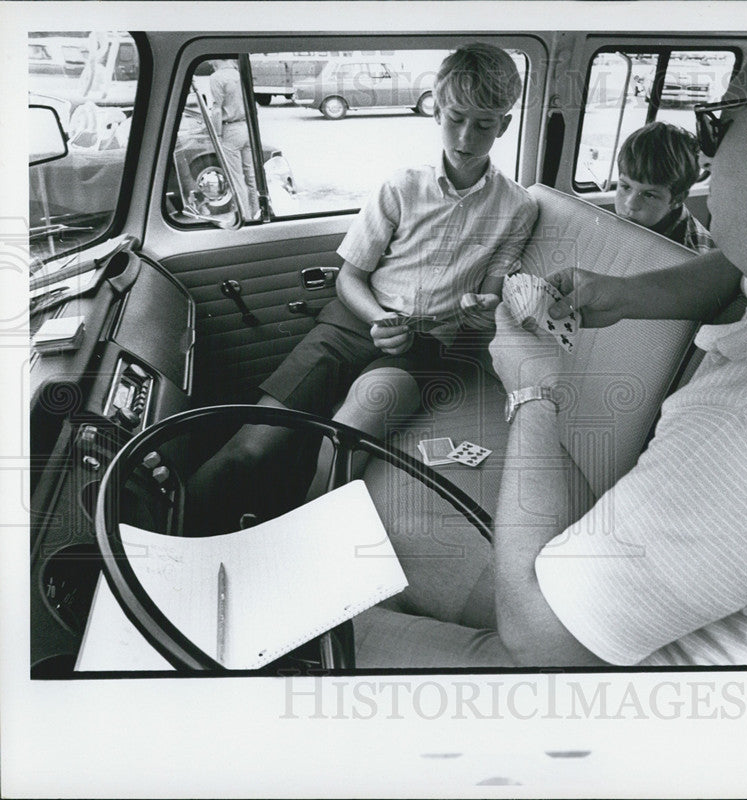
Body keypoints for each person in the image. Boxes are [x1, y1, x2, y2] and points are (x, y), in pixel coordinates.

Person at [352, 31, 747, 666]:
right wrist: (620, 295)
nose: (708, 158)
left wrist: (532, 389)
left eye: (721, 120)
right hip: (689, 626)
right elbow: (728, 270)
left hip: (650, 709)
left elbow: (538, 637)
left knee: (330, 644)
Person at [187, 44, 537, 532]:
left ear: (503, 125)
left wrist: (482, 306)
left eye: (484, 124)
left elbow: (492, 292)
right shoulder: (400, 187)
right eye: (456, 117)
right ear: (437, 110)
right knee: (250, 446)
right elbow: (350, 277)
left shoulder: (518, 208)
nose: (466, 136)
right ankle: (165, 539)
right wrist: (378, 320)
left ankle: (295, 546)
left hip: (421, 348)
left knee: (340, 457)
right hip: (353, 323)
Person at [614, 121, 714, 253]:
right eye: (626, 187)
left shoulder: (687, 255)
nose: (630, 204)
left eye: (649, 195)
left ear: (676, 200)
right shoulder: (639, 223)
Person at [207, 59, 261, 219]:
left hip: (230, 129)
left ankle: (244, 217)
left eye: (212, 62)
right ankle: (256, 212)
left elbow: (217, 109)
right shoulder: (240, 74)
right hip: (246, 127)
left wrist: (216, 134)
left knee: (236, 178)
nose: (211, 64)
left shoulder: (217, 77)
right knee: (250, 176)